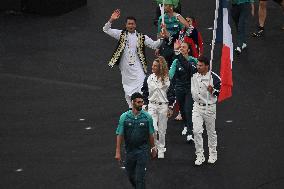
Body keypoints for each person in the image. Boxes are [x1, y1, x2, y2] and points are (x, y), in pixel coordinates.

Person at [103, 9, 165, 108]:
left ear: (135, 25)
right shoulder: (121, 34)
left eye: (132, 24)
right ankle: (131, 108)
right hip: (125, 67)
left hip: (137, 66)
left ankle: (142, 107)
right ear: (126, 25)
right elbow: (106, 29)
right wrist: (111, 19)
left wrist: (162, 38)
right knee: (127, 88)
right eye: (129, 24)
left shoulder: (141, 37)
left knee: (141, 84)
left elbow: (154, 45)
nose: (131, 26)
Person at [115, 92, 157, 189]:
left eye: (142, 102)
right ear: (133, 102)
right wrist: (117, 151)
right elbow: (119, 134)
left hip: (142, 151)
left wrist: (153, 147)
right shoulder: (124, 117)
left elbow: (151, 134)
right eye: (138, 102)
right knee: (130, 176)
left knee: (140, 178)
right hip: (129, 152)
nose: (141, 104)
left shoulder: (147, 117)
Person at [141, 56, 175, 158]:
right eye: (153, 65)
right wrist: (145, 104)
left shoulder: (167, 79)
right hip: (151, 106)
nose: (153, 67)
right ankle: (154, 146)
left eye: (155, 66)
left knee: (162, 130)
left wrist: (170, 107)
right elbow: (145, 91)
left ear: (160, 67)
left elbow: (172, 94)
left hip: (163, 107)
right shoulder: (148, 78)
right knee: (153, 129)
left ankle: (161, 149)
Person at [191, 56, 221, 166]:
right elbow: (185, 63)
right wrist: (180, 52)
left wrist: (213, 90)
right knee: (196, 131)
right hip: (197, 107)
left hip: (209, 107)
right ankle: (200, 155)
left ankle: (213, 154)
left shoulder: (214, 78)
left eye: (200, 65)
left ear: (207, 66)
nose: (198, 67)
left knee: (210, 132)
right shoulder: (193, 73)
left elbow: (221, 93)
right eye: (197, 65)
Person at [169, 40, 198, 142]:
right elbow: (170, 75)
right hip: (179, 89)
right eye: (180, 47)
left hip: (190, 89)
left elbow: (198, 72)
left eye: (184, 47)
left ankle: (190, 133)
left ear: (188, 50)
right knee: (182, 110)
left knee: (188, 109)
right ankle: (186, 125)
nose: (181, 49)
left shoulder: (194, 61)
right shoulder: (176, 61)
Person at [156, 0, 189, 68]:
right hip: (165, 46)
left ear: (171, 6)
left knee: (176, 66)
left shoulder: (178, 17)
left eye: (165, 5)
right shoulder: (161, 18)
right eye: (163, 5)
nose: (163, 7)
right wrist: (157, 47)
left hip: (176, 45)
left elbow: (186, 29)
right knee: (164, 66)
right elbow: (159, 34)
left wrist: (182, 45)